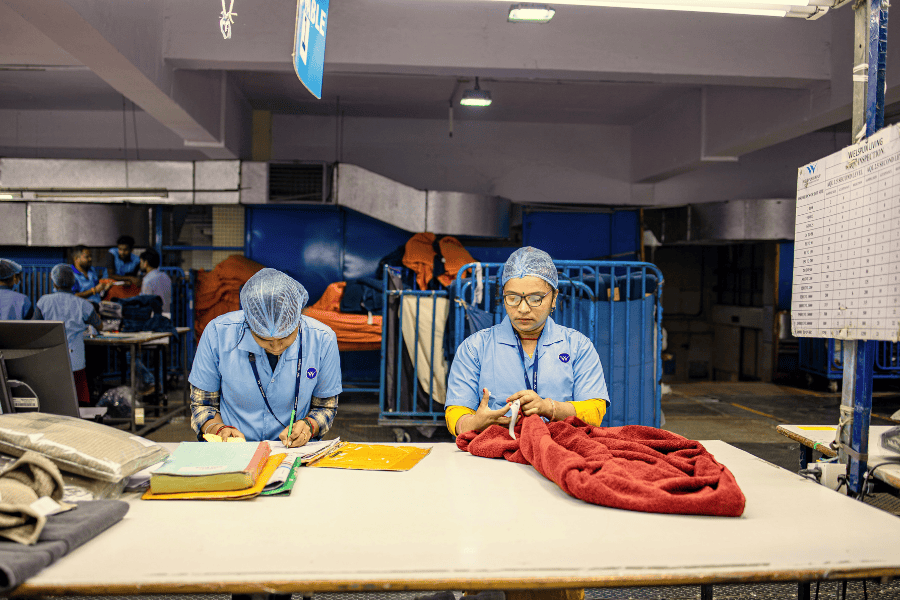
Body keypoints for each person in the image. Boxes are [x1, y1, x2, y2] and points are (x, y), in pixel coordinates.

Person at [445, 246, 610, 437]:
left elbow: (595, 410)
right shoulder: (474, 348)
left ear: (554, 298)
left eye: (535, 298)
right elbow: (456, 412)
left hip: (560, 450)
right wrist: (473, 423)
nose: (523, 308)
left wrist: (549, 408)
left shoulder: (578, 346)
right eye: (513, 298)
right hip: (494, 455)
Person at [188, 268, 342, 446]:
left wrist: (309, 426)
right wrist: (218, 429)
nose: (276, 347)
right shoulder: (217, 334)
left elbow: (325, 406)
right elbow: (202, 404)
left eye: (285, 337)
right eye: (263, 339)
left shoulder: (322, 339)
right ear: (249, 322)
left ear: (297, 320)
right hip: (234, 451)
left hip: (293, 451)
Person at [34, 264, 102, 405]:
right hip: (75, 359)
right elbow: (99, 325)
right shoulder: (83, 304)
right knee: (80, 402)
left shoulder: (44, 302)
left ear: (54, 282)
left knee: (53, 401)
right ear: (73, 282)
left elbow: (33, 326)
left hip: (50, 358)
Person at [139, 249, 172, 315]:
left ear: (146, 263)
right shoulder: (166, 277)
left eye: (141, 262)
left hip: (154, 316)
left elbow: (146, 301)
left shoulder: (147, 280)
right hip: (167, 314)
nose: (140, 265)